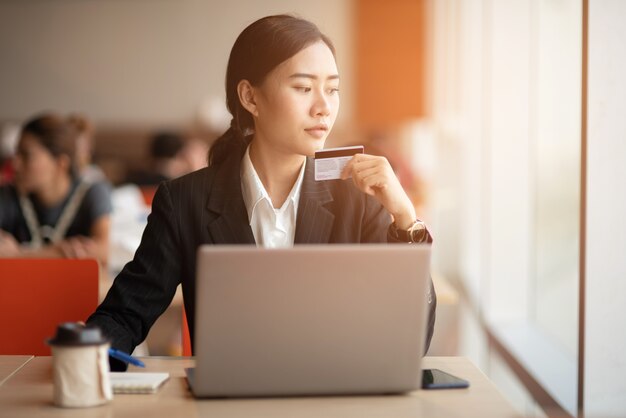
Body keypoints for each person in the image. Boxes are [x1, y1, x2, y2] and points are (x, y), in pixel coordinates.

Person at [87, 14, 436, 370]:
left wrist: (406, 218)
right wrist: (84, 362)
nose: (324, 106)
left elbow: (411, 338)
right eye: (303, 88)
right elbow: (124, 316)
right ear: (250, 97)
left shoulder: (359, 198)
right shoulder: (184, 202)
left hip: (333, 401)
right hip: (227, 403)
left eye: (332, 89)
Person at [0, 113, 112, 264]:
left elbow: (102, 252)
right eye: (16, 153)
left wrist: (19, 254)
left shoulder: (92, 192)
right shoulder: (8, 194)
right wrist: (59, 253)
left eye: (26, 155)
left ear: (61, 163)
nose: (15, 164)